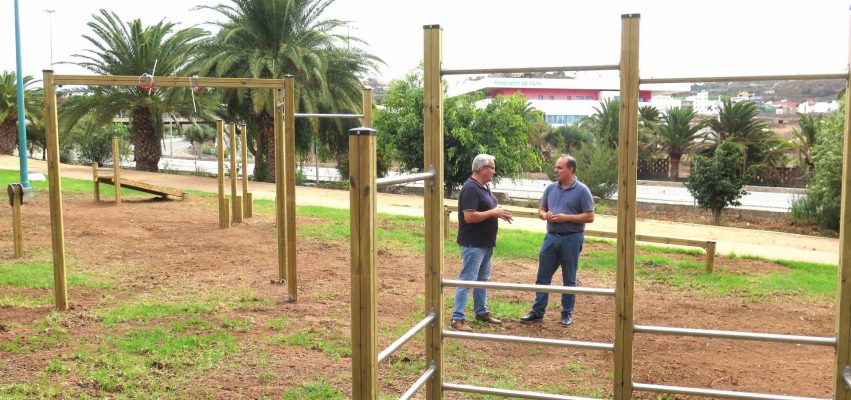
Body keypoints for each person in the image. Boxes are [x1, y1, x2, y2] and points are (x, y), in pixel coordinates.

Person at [520, 154, 594, 327]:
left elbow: (590, 216)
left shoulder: (582, 190)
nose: (555, 170)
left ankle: (567, 313)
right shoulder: (550, 188)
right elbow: (541, 210)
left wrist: (567, 218)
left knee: (569, 278)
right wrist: (545, 215)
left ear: (571, 170)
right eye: (556, 167)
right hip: (551, 238)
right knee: (542, 276)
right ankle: (537, 312)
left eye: (559, 167)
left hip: (571, 239)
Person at [450, 154, 513, 332]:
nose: (494, 171)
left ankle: (481, 312)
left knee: (482, 280)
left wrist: (498, 212)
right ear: (481, 169)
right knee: (467, 280)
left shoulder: (484, 187)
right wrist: (494, 213)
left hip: (485, 243)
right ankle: (457, 318)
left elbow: (487, 209)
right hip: (473, 243)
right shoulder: (470, 188)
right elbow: (469, 217)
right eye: (491, 168)